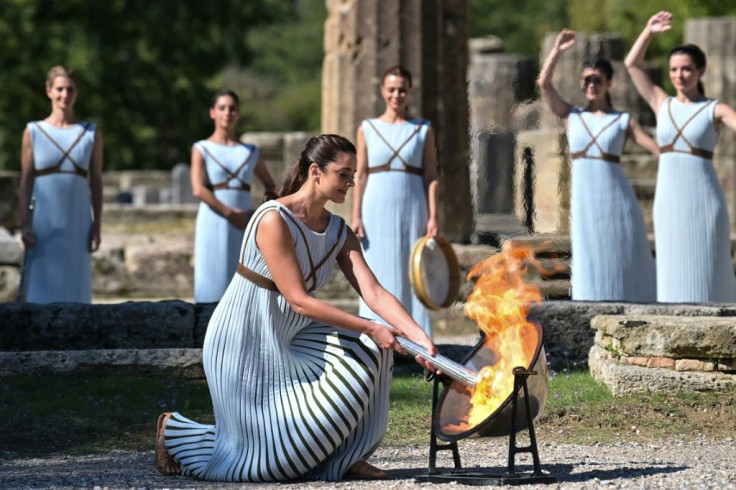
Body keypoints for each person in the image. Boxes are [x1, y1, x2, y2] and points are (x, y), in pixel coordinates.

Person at [155, 134, 438, 482]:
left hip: (291, 339)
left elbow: (374, 292)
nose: (351, 183)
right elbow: (298, 300)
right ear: (316, 171)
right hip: (244, 341)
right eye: (344, 174)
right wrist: (371, 327)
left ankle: (347, 458)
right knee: (270, 465)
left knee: (373, 351)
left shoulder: (338, 230)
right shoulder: (273, 219)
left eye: (354, 175)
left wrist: (420, 338)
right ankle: (175, 430)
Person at [538, 30, 658, 302]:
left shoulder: (622, 120)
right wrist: (556, 51)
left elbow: (657, 150)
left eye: (597, 80)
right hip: (585, 198)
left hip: (617, 197)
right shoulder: (571, 116)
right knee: (588, 253)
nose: (591, 85)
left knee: (623, 250)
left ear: (609, 83)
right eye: (586, 80)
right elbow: (544, 84)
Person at [625, 11, 736, 303]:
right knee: (672, 270)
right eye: (674, 69)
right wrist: (648, 31)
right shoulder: (662, 102)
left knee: (711, 269)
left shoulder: (715, 108)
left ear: (700, 72)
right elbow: (631, 64)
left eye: (686, 69)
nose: (679, 75)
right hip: (669, 200)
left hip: (704, 199)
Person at [351, 66, 439, 338]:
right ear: (383, 91)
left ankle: (417, 339)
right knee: (376, 267)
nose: (396, 94)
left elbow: (432, 175)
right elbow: (361, 174)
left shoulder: (422, 129)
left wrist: (434, 216)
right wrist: (356, 215)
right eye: (391, 89)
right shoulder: (367, 128)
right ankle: (376, 334)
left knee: (413, 271)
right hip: (375, 205)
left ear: (410, 92)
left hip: (413, 205)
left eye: (402, 89)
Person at [17, 65, 103, 303]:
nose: (65, 95)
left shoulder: (90, 132)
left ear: (76, 93)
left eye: (70, 89)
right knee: (41, 285)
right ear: (49, 91)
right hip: (44, 223)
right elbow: (25, 182)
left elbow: (96, 181)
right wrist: (24, 224)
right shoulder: (33, 131)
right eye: (60, 89)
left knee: (76, 282)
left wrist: (97, 224)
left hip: (78, 220)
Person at [190, 90, 277, 303]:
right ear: (213, 113)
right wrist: (230, 213)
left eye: (232, 108)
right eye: (222, 108)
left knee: (242, 276)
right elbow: (198, 189)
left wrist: (259, 215)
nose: (227, 113)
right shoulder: (202, 148)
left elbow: (270, 185)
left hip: (244, 221)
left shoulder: (250, 151)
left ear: (238, 113)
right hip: (214, 219)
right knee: (211, 276)